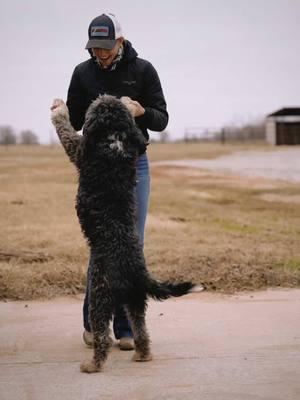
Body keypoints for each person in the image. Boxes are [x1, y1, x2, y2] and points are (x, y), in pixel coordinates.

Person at [66, 13, 168, 350]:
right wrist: (64, 114)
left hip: (133, 167)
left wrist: (140, 112)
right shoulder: (83, 73)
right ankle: (95, 326)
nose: (101, 55)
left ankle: (127, 329)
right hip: (97, 169)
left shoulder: (143, 70)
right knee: (100, 247)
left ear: (120, 43)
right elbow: (76, 117)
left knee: (130, 244)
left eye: (106, 49)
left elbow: (162, 118)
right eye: (95, 50)